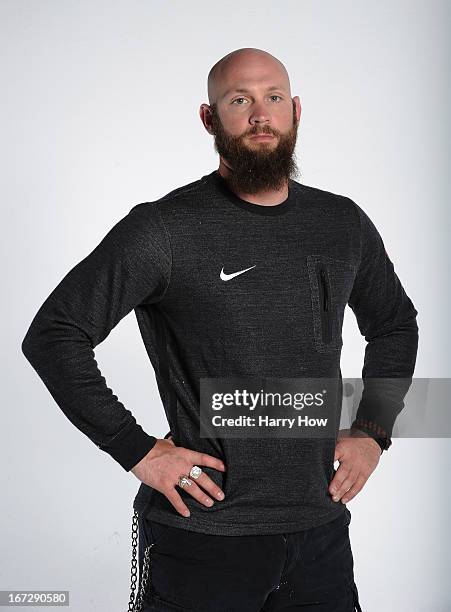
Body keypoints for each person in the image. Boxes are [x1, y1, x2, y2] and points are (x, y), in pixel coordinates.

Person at [22, 47, 419, 611]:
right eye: (240, 100)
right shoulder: (163, 229)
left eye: (274, 98)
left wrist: (374, 431)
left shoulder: (342, 223)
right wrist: (137, 450)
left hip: (320, 534)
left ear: (296, 110)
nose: (261, 114)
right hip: (202, 539)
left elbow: (396, 324)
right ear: (210, 119)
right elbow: (54, 334)